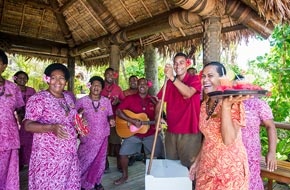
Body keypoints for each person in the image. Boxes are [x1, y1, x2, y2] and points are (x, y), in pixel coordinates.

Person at [189, 62, 249, 189]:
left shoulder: (233, 102)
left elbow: (228, 140)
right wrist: (197, 161)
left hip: (229, 169)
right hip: (207, 165)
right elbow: (208, 136)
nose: (205, 80)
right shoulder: (205, 104)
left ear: (222, 79)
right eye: (203, 76)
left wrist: (225, 107)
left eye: (210, 76)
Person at [24, 63, 80, 189]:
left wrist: (80, 124)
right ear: (48, 79)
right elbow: (28, 125)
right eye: (53, 77)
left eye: (62, 78)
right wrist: (51, 127)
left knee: (69, 185)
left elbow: (71, 120)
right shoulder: (38, 98)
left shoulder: (68, 98)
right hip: (49, 158)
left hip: (68, 155)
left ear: (66, 81)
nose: (58, 81)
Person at [114, 78, 164, 185]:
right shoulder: (130, 98)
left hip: (150, 134)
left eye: (144, 84)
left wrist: (159, 119)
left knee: (161, 154)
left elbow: (160, 115)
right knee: (122, 153)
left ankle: (160, 177)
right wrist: (131, 120)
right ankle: (125, 176)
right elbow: (118, 111)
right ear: (137, 86)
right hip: (134, 134)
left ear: (148, 86)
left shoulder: (153, 100)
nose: (142, 86)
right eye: (140, 84)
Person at [156, 52, 202, 168]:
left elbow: (188, 93)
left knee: (190, 167)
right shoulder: (169, 84)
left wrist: (172, 77)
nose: (178, 66)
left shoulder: (194, 79)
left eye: (181, 62)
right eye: (175, 63)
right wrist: (158, 117)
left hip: (190, 132)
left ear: (187, 64)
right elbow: (159, 101)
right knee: (172, 166)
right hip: (171, 131)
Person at [234, 75, 277, 190]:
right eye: (236, 85)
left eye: (242, 84)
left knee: (251, 181)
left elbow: (270, 127)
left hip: (251, 153)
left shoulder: (258, 103)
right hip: (231, 153)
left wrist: (272, 152)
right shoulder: (228, 102)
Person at [76, 76, 115, 190]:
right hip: (87, 138)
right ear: (90, 86)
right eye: (94, 84)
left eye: (99, 85)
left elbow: (110, 114)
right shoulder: (82, 101)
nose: (96, 87)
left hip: (103, 136)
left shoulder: (106, 101)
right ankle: (80, 182)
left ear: (102, 88)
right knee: (84, 160)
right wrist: (79, 114)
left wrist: (111, 119)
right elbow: (73, 116)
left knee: (100, 161)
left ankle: (96, 181)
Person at [0, 50, 25, 190]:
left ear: (4, 66)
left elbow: (20, 109)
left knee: (8, 172)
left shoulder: (12, 88)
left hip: (9, 138)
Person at [101, 67, 125, 172]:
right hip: (101, 120)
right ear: (104, 75)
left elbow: (124, 103)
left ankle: (120, 165)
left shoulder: (118, 88)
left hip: (114, 120)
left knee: (117, 143)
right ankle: (105, 166)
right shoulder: (99, 87)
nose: (110, 76)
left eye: (112, 74)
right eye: (108, 74)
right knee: (103, 143)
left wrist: (118, 101)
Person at [13, 71, 36, 170]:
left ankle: (30, 162)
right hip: (15, 119)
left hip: (30, 120)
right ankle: (19, 164)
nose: (22, 80)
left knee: (29, 142)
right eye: (20, 78)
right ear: (15, 79)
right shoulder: (11, 89)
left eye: (24, 78)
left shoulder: (31, 90)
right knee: (18, 142)